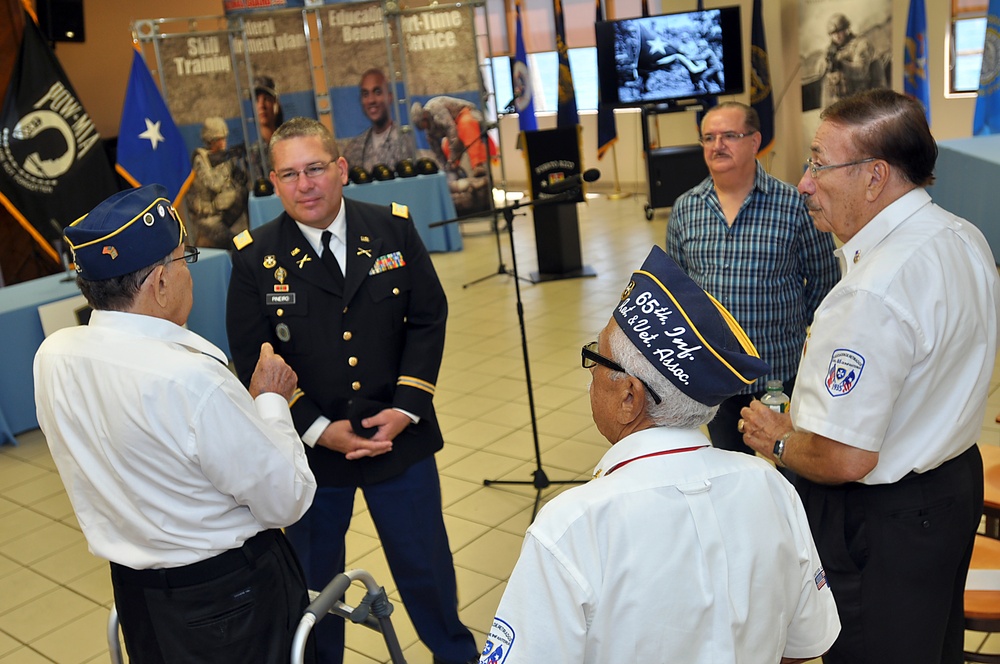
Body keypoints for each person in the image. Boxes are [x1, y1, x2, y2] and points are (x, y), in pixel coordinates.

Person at [481, 245, 840, 664]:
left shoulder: (572, 528)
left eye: (595, 357)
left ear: (629, 397)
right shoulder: (770, 487)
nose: (590, 373)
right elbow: (803, 648)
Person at [739, 89, 1000, 664]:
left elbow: (846, 457)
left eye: (818, 163)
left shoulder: (870, 292)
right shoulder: (963, 236)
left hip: (884, 524)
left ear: (875, 176)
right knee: (931, 645)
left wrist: (778, 439)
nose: (804, 182)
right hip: (953, 484)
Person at [225, 117, 480, 664]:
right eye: (289, 174)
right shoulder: (254, 257)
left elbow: (428, 317)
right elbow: (252, 356)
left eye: (315, 168)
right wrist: (317, 428)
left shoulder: (391, 229)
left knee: (427, 570)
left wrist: (408, 408)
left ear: (340, 169)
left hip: (398, 438)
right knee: (316, 589)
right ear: (274, 182)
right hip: (310, 452)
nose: (305, 185)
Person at [33, 184, 317, 663]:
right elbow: (285, 499)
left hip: (138, 595)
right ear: (160, 283)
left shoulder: (54, 356)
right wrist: (270, 402)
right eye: (186, 259)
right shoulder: (190, 377)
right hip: (230, 599)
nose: (190, 273)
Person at [666, 101, 839, 459]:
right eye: (709, 137)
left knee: (794, 469)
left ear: (755, 141)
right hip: (718, 376)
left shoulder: (794, 205)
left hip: (779, 374)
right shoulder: (685, 208)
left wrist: (791, 331)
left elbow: (825, 285)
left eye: (730, 135)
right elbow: (678, 292)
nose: (717, 146)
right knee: (731, 472)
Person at [189, 116, 250, 249]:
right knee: (237, 243)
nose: (224, 142)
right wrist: (226, 165)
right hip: (207, 219)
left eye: (224, 138)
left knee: (243, 193)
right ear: (212, 140)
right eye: (220, 139)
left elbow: (240, 182)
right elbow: (214, 184)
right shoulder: (200, 159)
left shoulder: (223, 158)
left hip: (223, 214)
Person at [342, 68, 416, 172]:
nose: (371, 100)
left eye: (377, 92)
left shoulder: (406, 142)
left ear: (389, 97)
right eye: (365, 94)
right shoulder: (354, 149)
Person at [410, 96, 492, 176]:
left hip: (464, 114)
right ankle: (455, 173)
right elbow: (437, 152)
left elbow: (451, 129)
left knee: (466, 125)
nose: (424, 128)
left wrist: (452, 159)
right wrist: (446, 167)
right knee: (446, 146)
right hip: (456, 130)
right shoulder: (429, 131)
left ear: (424, 116)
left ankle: (477, 165)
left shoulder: (435, 108)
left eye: (422, 124)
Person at [822, 14, 886, 107]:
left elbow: (861, 71)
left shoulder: (861, 44)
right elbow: (826, 85)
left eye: (840, 31)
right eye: (833, 33)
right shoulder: (830, 51)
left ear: (846, 30)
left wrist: (841, 65)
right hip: (842, 101)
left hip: (866, 99)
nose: (837, 36)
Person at [249, 75, 285, 181]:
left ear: (275, 104)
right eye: (257, 100)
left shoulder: (289, 144)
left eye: (266, 99)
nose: (261, 105)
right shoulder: (253, 153)